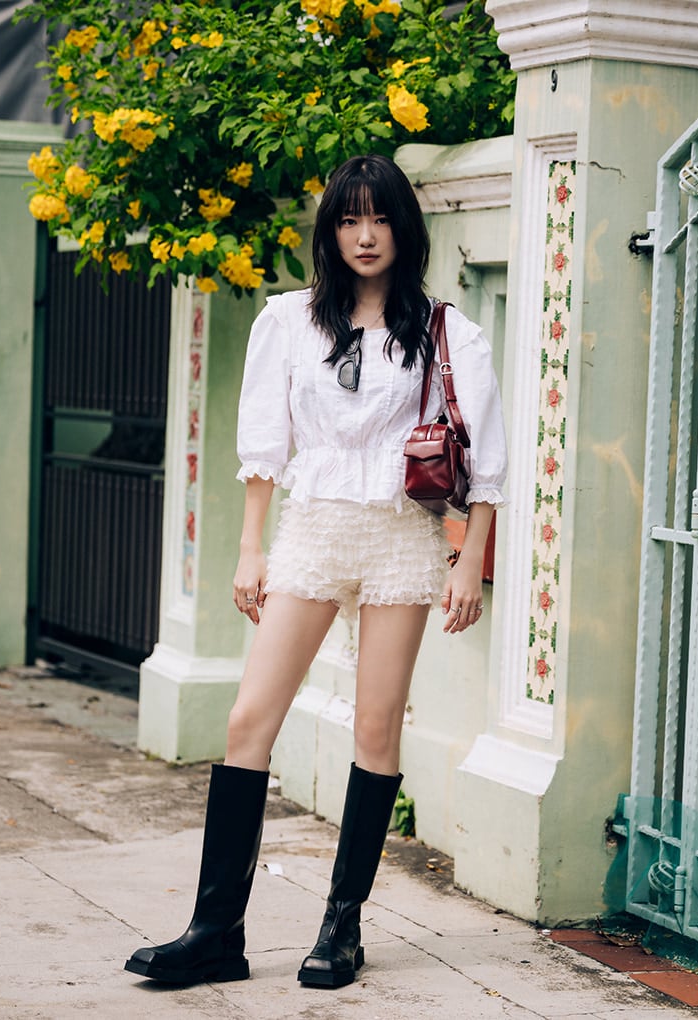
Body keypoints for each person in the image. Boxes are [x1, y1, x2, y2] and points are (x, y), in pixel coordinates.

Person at [124, 154, 507, 990]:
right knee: (248, 721)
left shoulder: (448, 330)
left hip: (402, 539)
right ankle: (215, 929)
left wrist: (468, 561)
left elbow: (486, 464)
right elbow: (265, 444)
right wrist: (251, 545)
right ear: (330, 232)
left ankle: (342, 927)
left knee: (375, 733)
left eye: (379, 219)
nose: (364, 236)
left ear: (404, 229)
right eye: (347, 219)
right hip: (313, 531)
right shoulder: (291, 322)